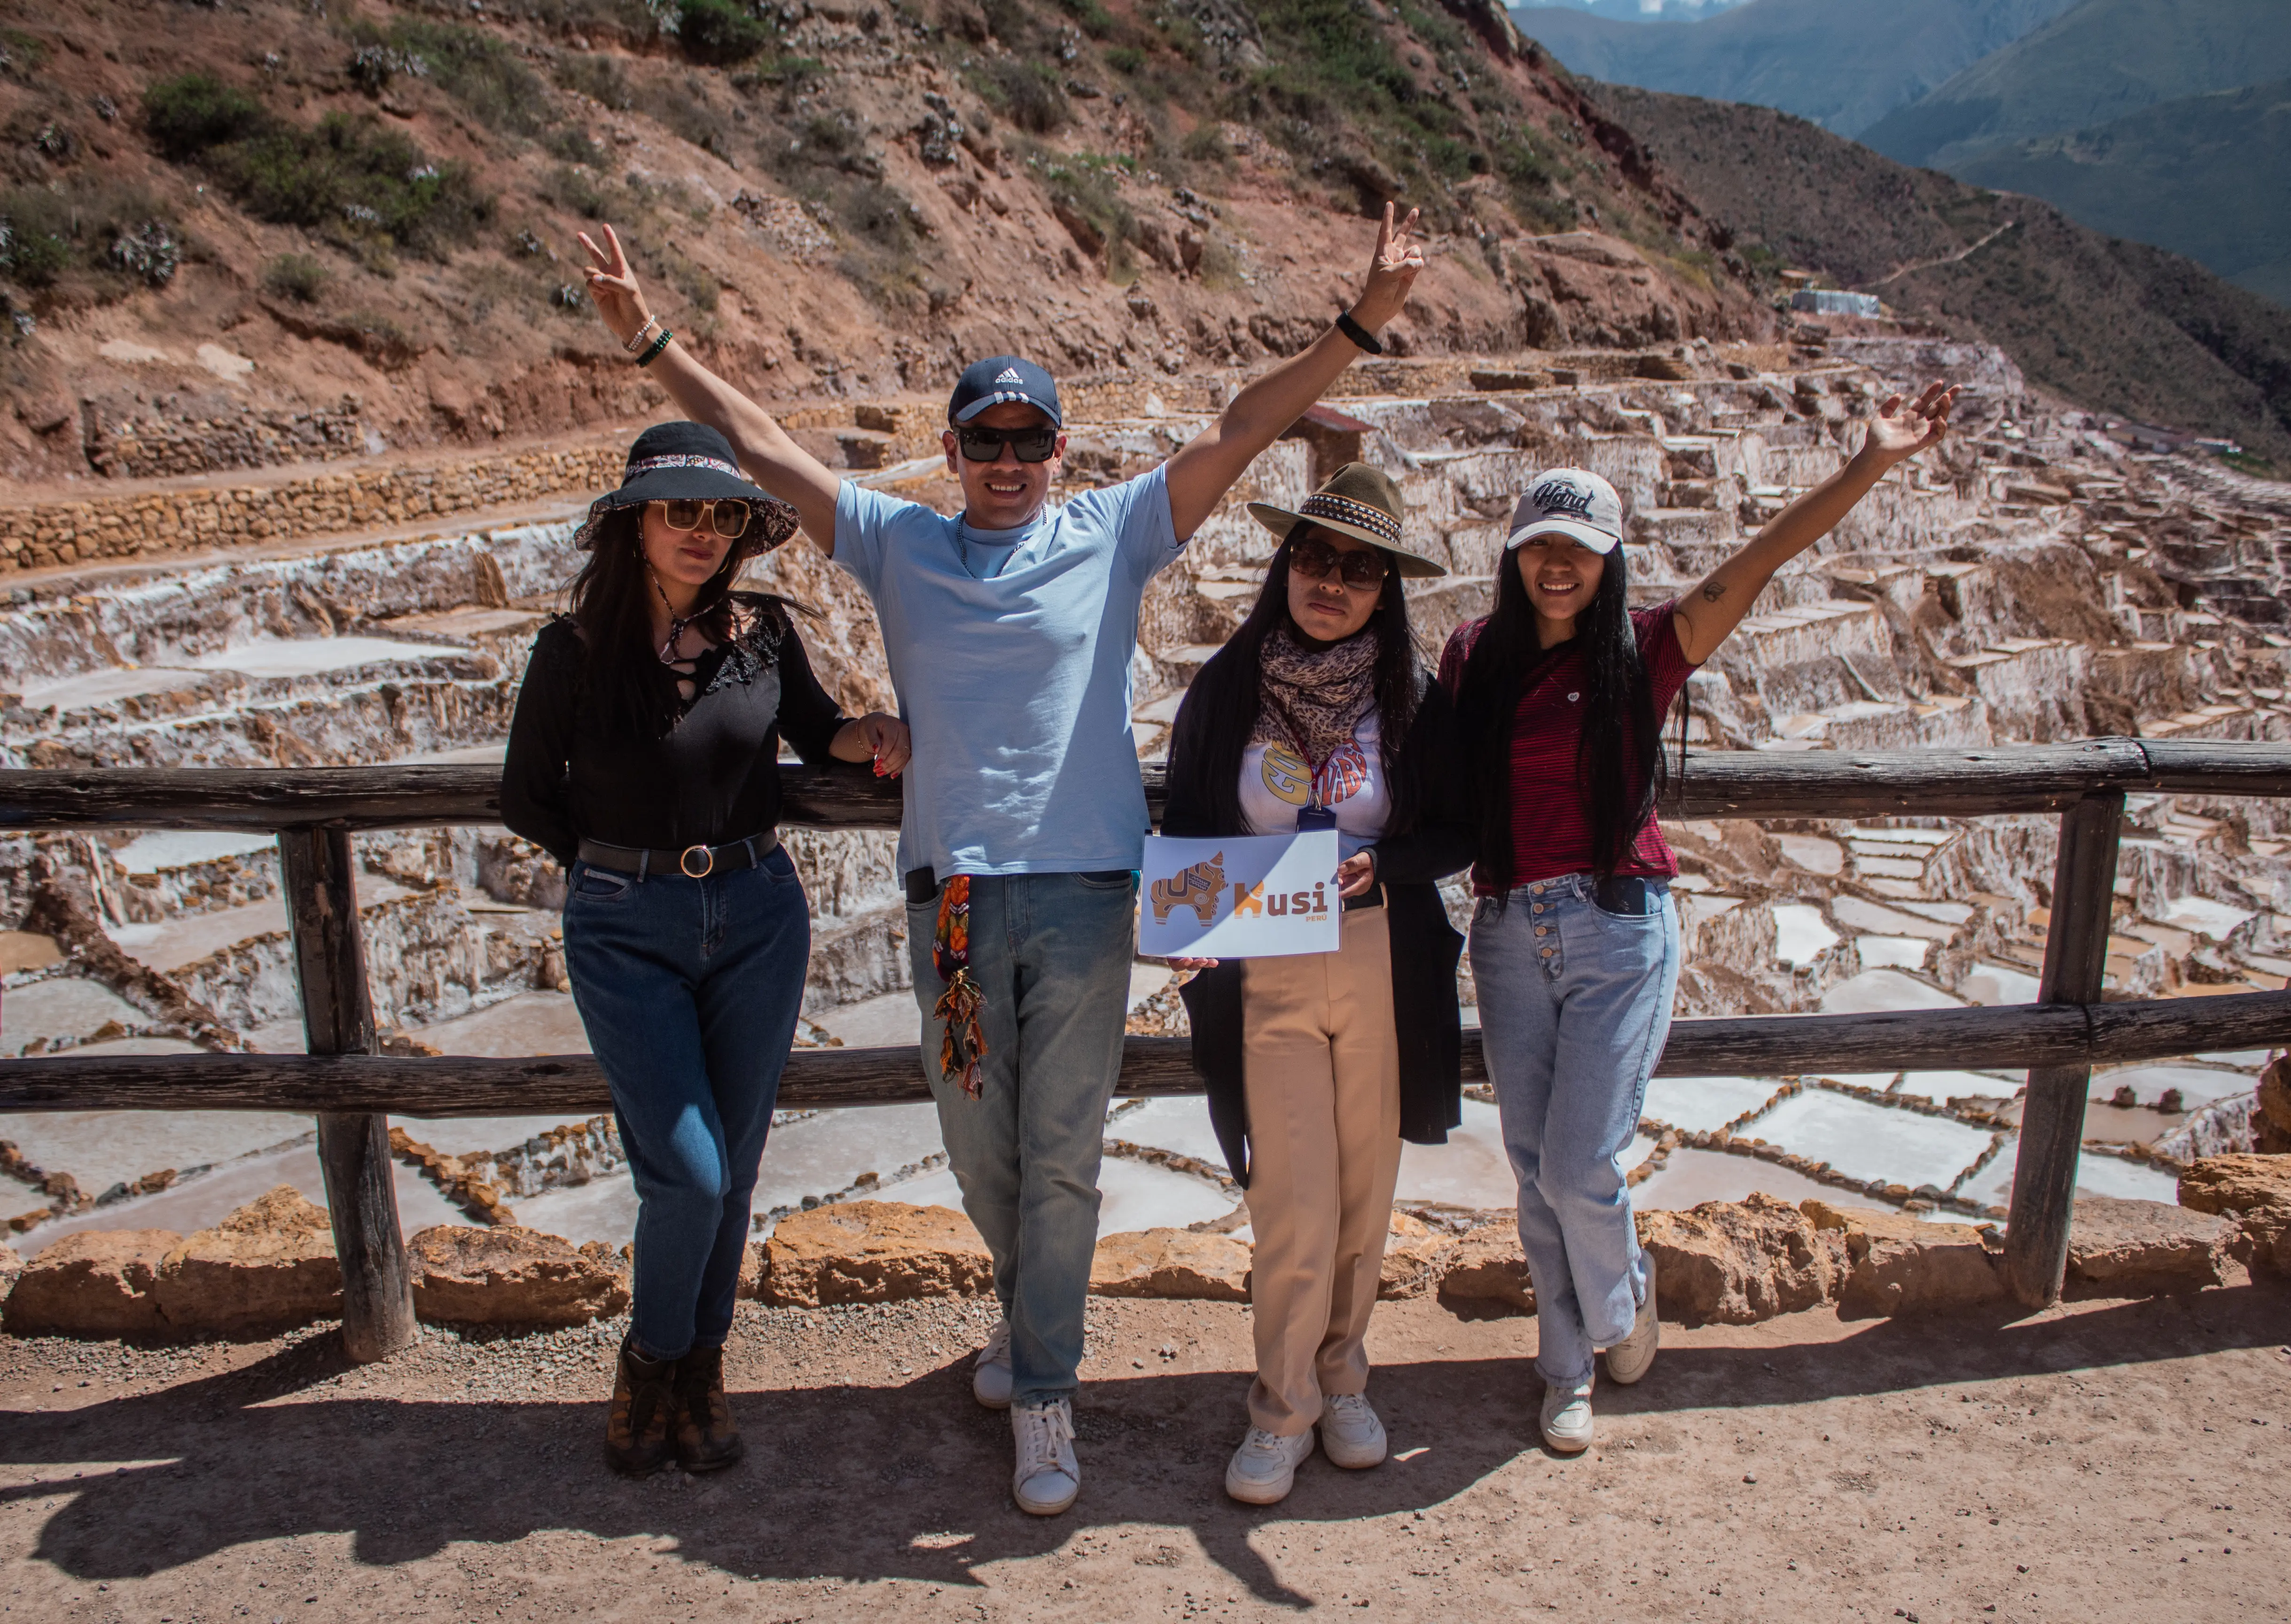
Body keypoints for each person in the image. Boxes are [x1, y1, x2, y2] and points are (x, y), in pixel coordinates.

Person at [576, 206, 1426, 1515]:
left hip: (1087, 894)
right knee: (983, 1150)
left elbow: (1241, 429)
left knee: (1067, 1153)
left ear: (1059, 450)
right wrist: (653, 343)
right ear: (954, 449)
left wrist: (1360, 321)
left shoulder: (1112, 532)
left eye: (1032, 439)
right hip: (957, 901)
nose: (1011, 460)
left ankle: (1044, 1389)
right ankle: (1031, 1325)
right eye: (988, 439)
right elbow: (761, 447)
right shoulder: (897, 543)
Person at [1440, 382, 1960, 1455]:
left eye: (1578, 549)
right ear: (1514, 550)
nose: (1556, 566)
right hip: (1504, 929)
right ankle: (1563, 1366)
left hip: (1615, 923)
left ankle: (1622, 1315)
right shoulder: (1468, 655)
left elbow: (1760, 561)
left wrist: (1868, 462)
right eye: (1540, 543)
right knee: (1533, 1164)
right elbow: (1425, 776)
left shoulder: (1647, 648)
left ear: (1609, 556)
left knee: (1580, 1163)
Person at [501, 422, 910, 1478]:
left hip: (758, 915)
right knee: (686, 1173)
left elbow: (819, 732)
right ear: (635, 523)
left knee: (735, 1170)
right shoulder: (574, 651)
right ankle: (652, 1357)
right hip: (624, 927)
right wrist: (618, 866)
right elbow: (526, 794)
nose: (702, 531)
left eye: (722, 514)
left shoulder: (763, 634)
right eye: (681, 510)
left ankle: (701, 1372)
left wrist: (881, 737)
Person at [1159, 463, 1472, 1505]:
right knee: (1290, 1198)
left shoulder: (1414, 700)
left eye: (1356, 568)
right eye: (1313, 557)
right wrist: (1190, 926)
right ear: (1284, 564)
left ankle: (1343, 1377)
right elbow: (1190, 828)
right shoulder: (1226, 688)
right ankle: (1280, 1407)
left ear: (1387, 590)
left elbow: (1457, 833)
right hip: (1266, 959)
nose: (1328, 582)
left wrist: (1382, 863)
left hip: (1381, 957)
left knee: (1362, 1194)